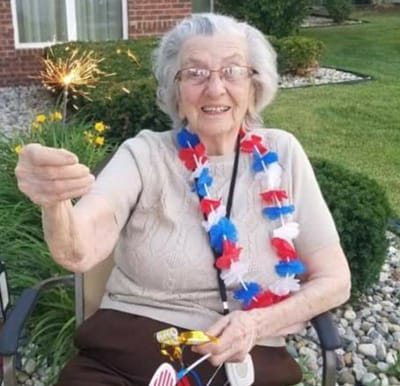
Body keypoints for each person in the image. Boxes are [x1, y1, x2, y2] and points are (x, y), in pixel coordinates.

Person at [15, 13, 351, 386]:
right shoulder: (142, 155)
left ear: (255, 85)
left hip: (244, 360)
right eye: (195, 73)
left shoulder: (282, 154)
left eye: (232, 70)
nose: (215, 88)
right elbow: (77, 252)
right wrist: (54, 202)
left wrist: (257, 322)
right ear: (174, 90)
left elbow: (335, 279)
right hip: (123, 359)